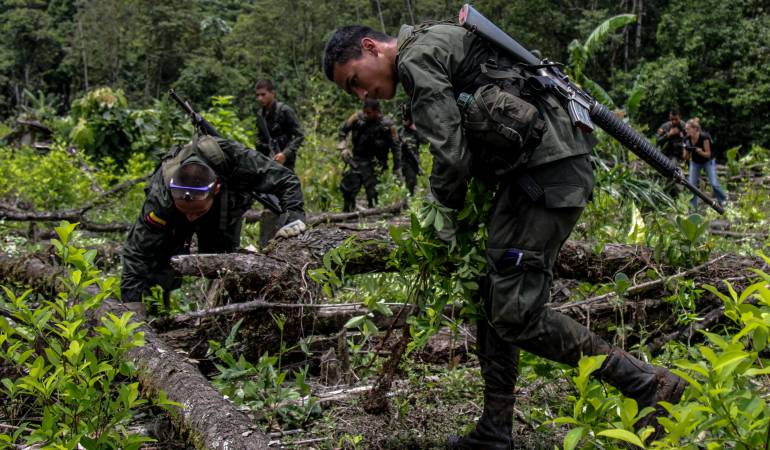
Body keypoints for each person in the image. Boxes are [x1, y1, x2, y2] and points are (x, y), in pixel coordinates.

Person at [324, 22, 686, 448]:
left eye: (355, 81)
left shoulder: (416, 57)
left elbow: (451, 153)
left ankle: (647, 383)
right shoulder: (435, 41)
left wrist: (441, 212)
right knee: (491, 296)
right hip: (535, 174)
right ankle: (495, 430)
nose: (361, 95)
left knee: (516, 313)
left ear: (370, 47)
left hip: (546, 175)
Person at [121, 135, 307, 309]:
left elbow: (286, 180)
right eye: (186, 212)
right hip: (174, 216)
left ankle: (227, 310)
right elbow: (136, 252)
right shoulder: (160, 199)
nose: (191, 217)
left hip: (223, 208)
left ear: (216, 188)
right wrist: (132, 307)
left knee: (224, 260)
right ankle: (158, 310)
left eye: (197, 212)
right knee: (161, 265)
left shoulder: (235, 159)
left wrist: (294, 218)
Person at [254, 79, 306, 246]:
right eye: (257, 95)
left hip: (285, 162)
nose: (260, 98)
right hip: (268, 160)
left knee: (287, 197)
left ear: (272, 93)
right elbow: (260, 138)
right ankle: (270, 239)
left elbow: (299, 135)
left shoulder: (284, 111)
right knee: (269, 200)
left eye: (263, 94)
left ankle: (290, 235)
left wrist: (285, 153)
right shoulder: (261, 114)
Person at [337, 99, 400, 211]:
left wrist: (397, 167)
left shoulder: (388, 125)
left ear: (377, 112)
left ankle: (373, 214)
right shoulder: (356, 118)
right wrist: (343, 147)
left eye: (369, 113)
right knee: (349, 187)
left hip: (377, 163)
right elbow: (343, 130)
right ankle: (348, 212)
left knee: (373, 193)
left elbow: (396, 147)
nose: (366, 115)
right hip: (357, 160)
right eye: (364, 112)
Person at [683, 118, 727, 209]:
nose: (686, 131)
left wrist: (700, 152)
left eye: (688, 129)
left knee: (714, 183)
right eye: (685, 129)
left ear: (695, 129)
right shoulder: (686, 139)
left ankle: (723, 201)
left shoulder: (704, 137)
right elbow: (685, 157)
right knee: (691, 185)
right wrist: (688, 150)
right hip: (695, 162)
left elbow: (708, 154)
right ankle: (693, 208)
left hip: (707, 161)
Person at [398, 104, 427, 195]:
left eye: (406, 119)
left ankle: (410, 197)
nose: (404, 121)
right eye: (403, 119)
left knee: (411, 181)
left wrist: (416, 130)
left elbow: (425, 141)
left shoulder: (415, 131)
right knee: (402, 182)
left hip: (412, 161)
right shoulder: (400, 131)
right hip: (401, 161)